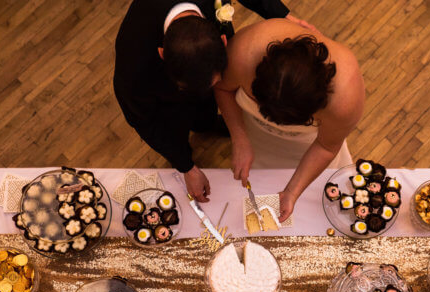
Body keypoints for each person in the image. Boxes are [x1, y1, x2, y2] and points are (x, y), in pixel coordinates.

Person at [114, 0, 313, 202]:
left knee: (205, 111)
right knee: (176, 129)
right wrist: (186, 167)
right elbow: (142, 119)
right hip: (167, 104)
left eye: (216, 82)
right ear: (162, 54)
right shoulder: (134, 65)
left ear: (223, 40)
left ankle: (205, 123)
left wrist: (282, 16)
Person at [214, 18, 365, 220]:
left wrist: (291, 193)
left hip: (307, 144)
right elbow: (222, 88)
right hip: (254, 130)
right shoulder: (243, 51)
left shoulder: (346, 98)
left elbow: (326, 146)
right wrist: (239, 138)